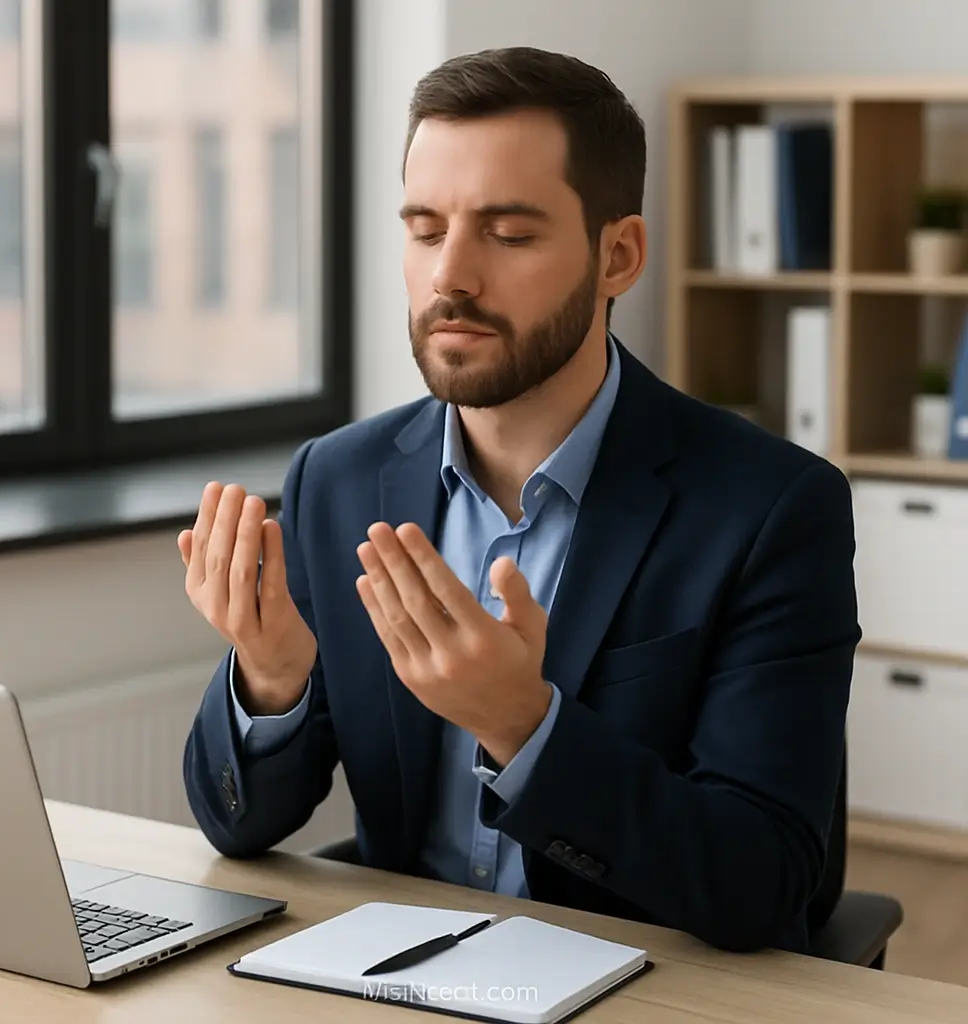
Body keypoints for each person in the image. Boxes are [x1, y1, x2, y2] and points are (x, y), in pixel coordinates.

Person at [179, 46, 860, 955]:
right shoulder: (335, 480)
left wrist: (522, 724)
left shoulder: (772, 510)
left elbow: (762, 881)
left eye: (508, 234)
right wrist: (270, 678)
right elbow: (241, 826)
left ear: (617, 255)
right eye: (425, 229)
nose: (448, 276)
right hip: (396, 979)